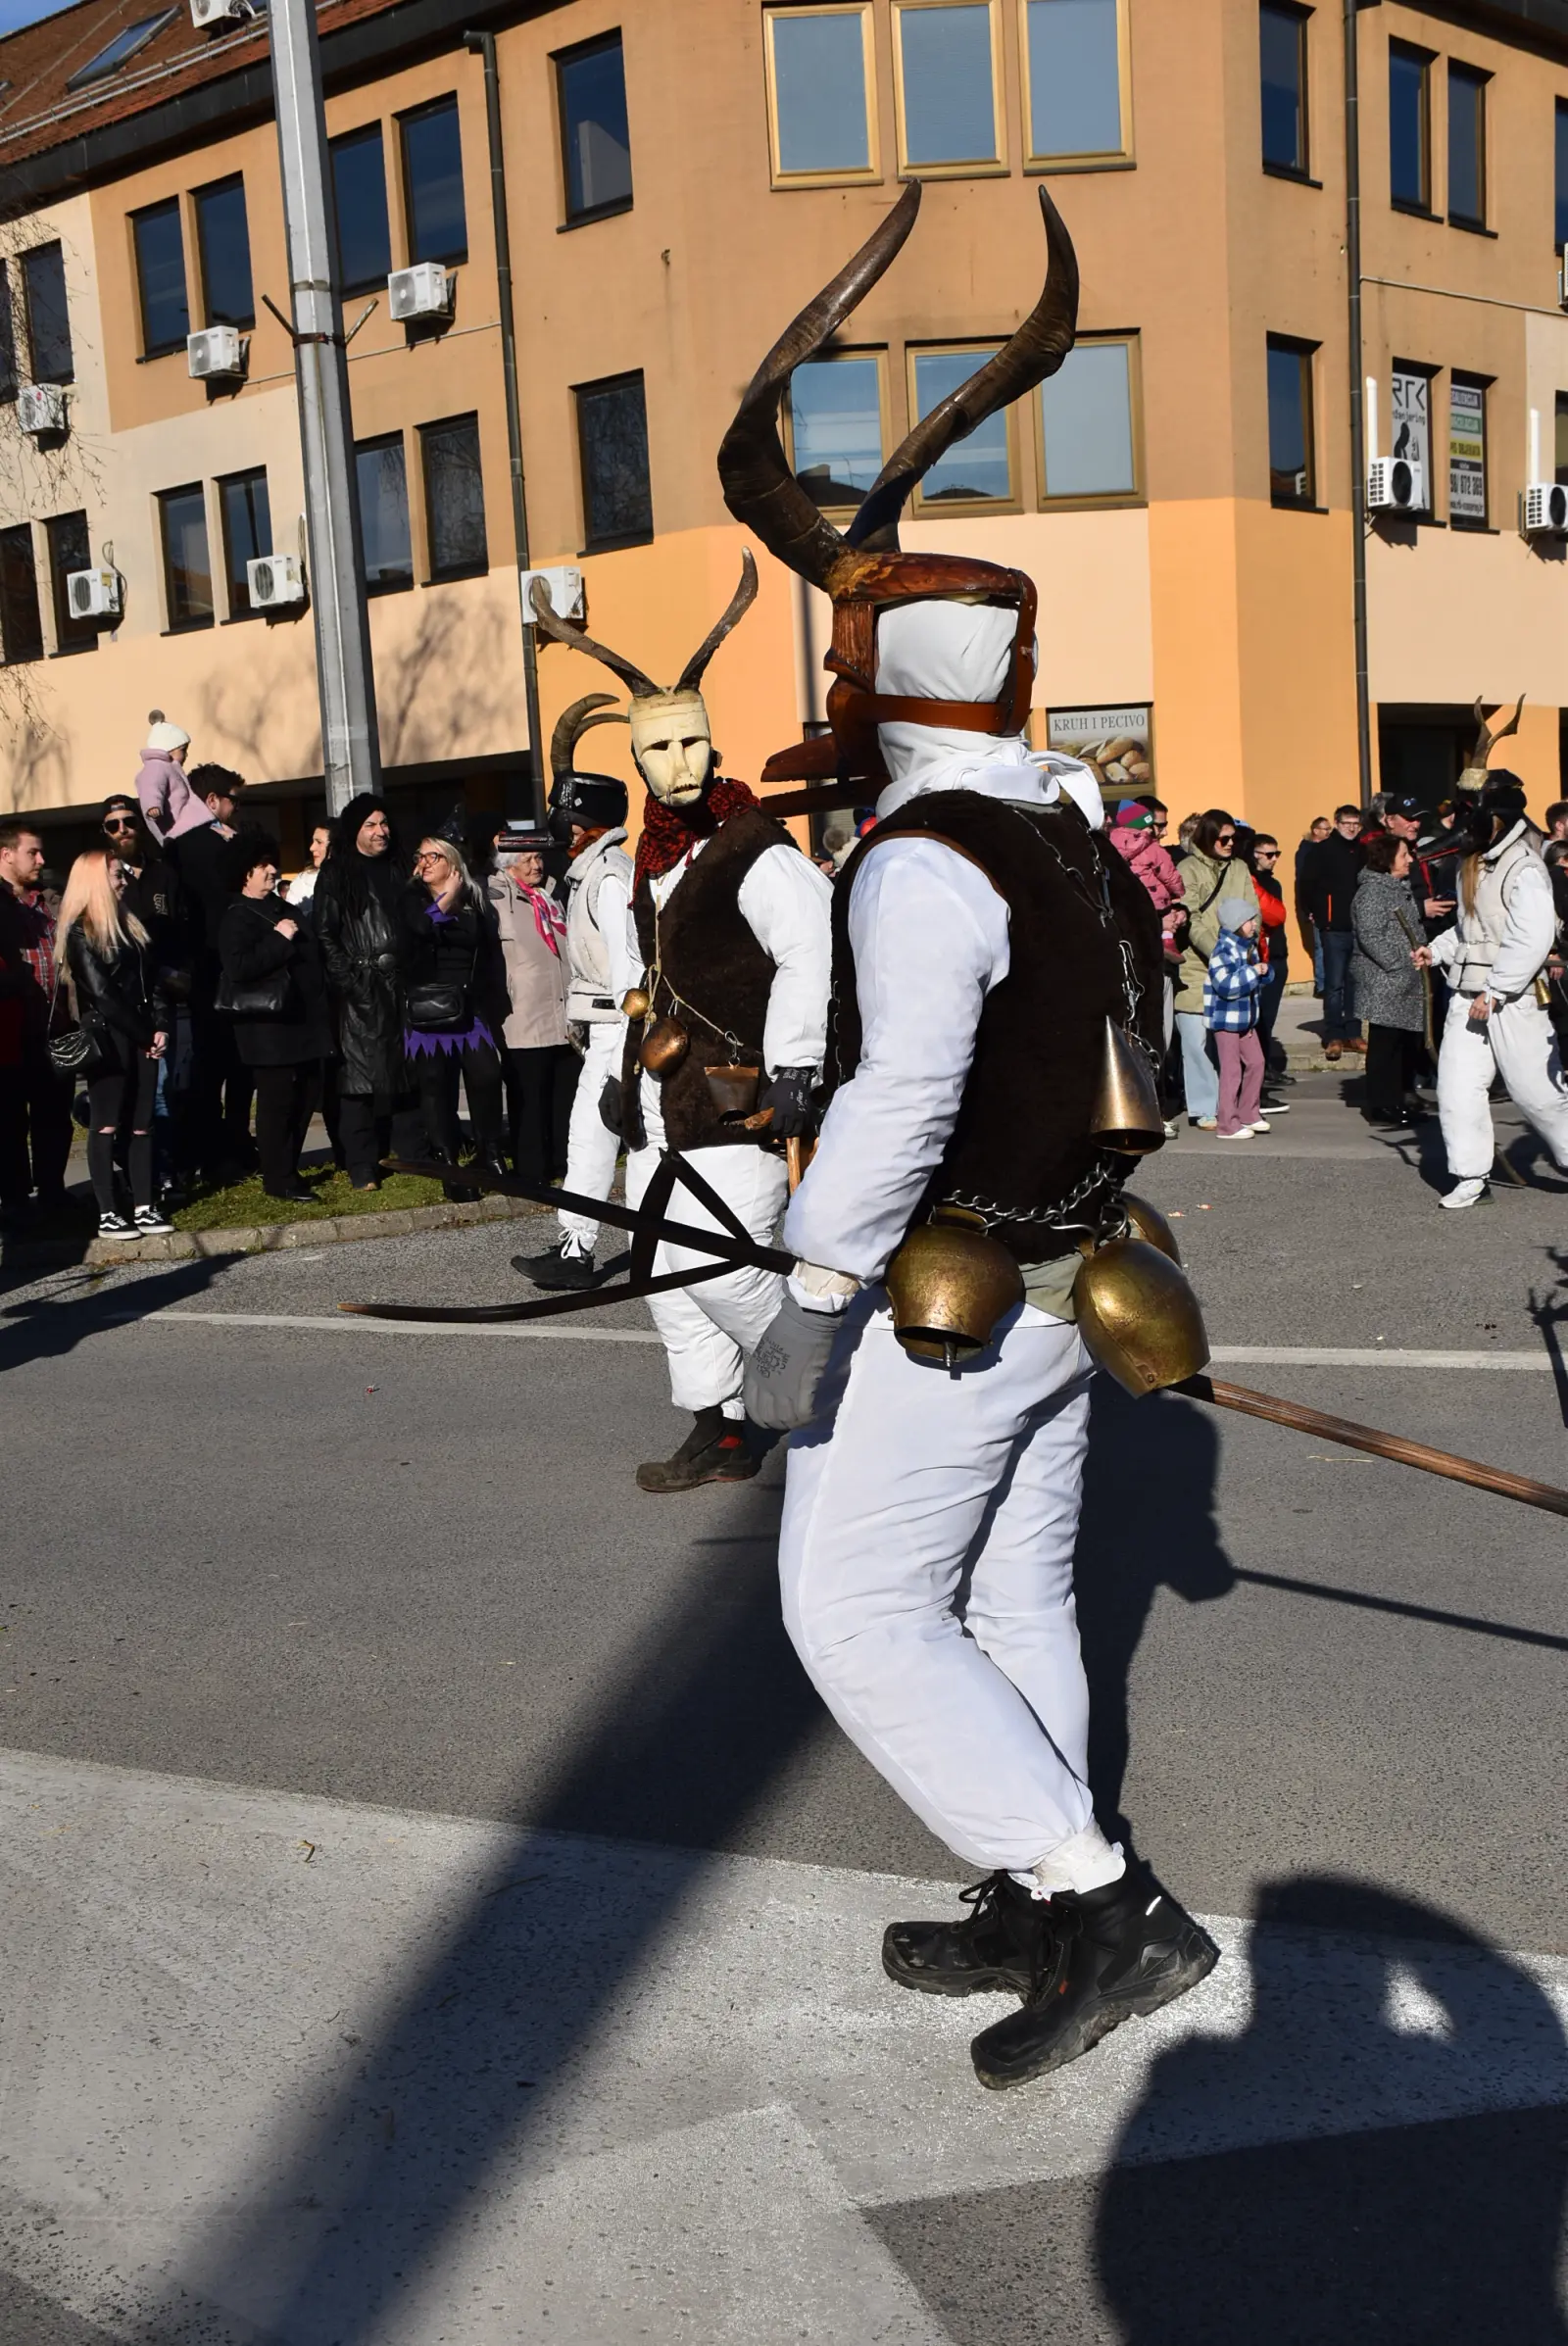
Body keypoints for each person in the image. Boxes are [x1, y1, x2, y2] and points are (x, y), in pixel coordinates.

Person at [731, 182, 1215, 2092]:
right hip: (1067, 1280)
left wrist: (801, 1290)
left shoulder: (919, 863)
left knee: (848, 1604)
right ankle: (1034, 1884)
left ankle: (1099, 1905)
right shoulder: (1066, 831)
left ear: (870, 680)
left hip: (950, 1292)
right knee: (1007, 1592)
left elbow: (901, 1099)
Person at [530, 557, 833, 1491]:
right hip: (666, 1100)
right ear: (636, 762)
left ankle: (834, 1395)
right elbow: (644, 984)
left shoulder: (756, 853)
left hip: (738, 1099)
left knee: (722, 1270)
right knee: (666, 1278)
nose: (681, 764)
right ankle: (727, 1430)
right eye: (659, 751)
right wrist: (623, 1080)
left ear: (712, 742)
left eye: (693, 744)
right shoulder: (647, 862)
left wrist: (795, 1070)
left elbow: (812, 953)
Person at [514, 700, 639, 1290]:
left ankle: (579, 1252)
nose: (557, 835)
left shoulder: (610, 875)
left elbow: (629, 969)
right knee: (602, 1140)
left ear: (585, 825)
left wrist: (626, 1052)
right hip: (606, 1028)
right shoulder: (593, 872)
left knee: (595, 1139)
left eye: (565, 824)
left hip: (622, 1028)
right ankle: (592, 1246)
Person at [1418, 774, 1568, 1208]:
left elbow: (1531, 938)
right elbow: (1471, 930)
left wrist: (1498, 990)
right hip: (1468, 994)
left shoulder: (1523, 867)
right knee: (1457, 1086)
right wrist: (1435, 949)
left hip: (1512, 1000)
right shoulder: (1478, 863)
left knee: (1536, 1093)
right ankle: (1470, 1175)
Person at [55, 847, 173, 1240]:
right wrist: (145, 1034)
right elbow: (103, 994)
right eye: (116, 874)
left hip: (142, 1034)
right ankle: (108, 1211)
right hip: (108, 1037)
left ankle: (144, 1205)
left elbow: (152, 983)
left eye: (124, 873)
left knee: (142, 1125)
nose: (124, 880)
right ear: (94, 881)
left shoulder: (132, 926)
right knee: (105, 1124)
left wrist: (159, 1027)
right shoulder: (80, 931)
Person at [313, 794, 423, 1192]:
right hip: (360, 986)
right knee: (357, 1082)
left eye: (384, 823)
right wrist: (352, 982)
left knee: (407, 1073)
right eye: (370, 825)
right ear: (355, 831)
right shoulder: (337, 873)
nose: (381, 832)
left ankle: (410, 1155)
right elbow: (325, 934)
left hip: (401, 985)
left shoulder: (400, 869)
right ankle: (362, 1166)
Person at [217, 835, 330, 1202]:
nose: (272, 870)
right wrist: (279, 941)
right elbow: (239, 967)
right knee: (276, 1103)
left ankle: (288, 1166)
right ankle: (278, 1177)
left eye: (272, 862)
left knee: (307, 1095)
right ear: (243, 872)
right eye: (262, 865)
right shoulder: (237, 916)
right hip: (267, 1030)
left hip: (302, 1022)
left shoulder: (283, 908)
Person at [401, 831, 509, 1193]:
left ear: (453, 864)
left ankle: (489, 1154)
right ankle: (448, 1166)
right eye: (421, 856)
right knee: (435, 1087)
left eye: (434, 857)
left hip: (468, 1008)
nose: (425, 863)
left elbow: (489, 950)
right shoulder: (411, 898)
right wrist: (442, 903)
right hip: (427, 1010)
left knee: (487, 1077)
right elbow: (417, 930)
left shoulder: (474, 900)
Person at [0, 820, 73, 1226]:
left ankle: (52, 1191)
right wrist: (18, 983)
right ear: (6, 854)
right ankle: (14, 1199)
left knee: (54, 1117)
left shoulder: (47, 901)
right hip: (12, 1029)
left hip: (56, 1026)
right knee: (10, 1121)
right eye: (33, 853)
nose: (41, 861)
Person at [1173, 809, 1257, 1127]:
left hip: (1235, 965)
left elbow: (1254, 911)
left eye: (1233, 838)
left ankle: (1231, 1105)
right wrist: (1219, 949)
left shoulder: (1239, 869)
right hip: (1197, 965)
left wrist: (1247, 945)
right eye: (1224, 838)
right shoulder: (1187, 868)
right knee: (1195, 1040)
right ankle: (1204, 1107)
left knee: (1229, 1039)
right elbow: (1189, 916)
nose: (1231, 843)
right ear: (1208, 836)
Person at [1350, 833, 1429, 1128]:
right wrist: (1397, 965)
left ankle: (1395, 1101)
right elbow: (1370, 935)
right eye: (1404, 854)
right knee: (1384, 1045)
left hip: (1402, 979)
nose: (1410, 860)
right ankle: (1382, 1106)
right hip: (1385, 980)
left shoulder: (1394, 888)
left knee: (1399, 1044)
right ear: (1387, 860)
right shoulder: (1373, 892)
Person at [1298, 804, 1366, 1059]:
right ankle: (1334, 1035)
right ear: (1337, 823)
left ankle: (1353, 1033)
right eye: (1347, 822)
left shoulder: (1363, 851)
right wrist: (1314, 914)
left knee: (1356, 984)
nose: (1351, 827)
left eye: (1355, 823)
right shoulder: (1322, 850)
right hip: (1333, 928)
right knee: (1334, 984)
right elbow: (1306, 884)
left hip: (1359, 929)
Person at [1204, 900, 1267, 1139]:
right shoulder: (1222, 951)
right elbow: (1226, 986)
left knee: (1257, 1062)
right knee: (1231, 1072)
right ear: (1236, 924)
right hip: (1226, 1021)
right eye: (1249, 920)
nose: (1254, 925)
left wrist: (1262, 973)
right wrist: (1253, 972)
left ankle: (1248, 1113)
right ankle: (1227, 1124)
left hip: (1245, 1020)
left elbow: (1251, 983)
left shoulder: (1248, 948)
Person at [1248, 833, 1292, 1095]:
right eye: (1269, 854)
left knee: (1270, 1016)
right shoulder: (1253, 884)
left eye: (1277, 854)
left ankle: (1266, 1066)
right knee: (1259, 1017)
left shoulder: (1273, 883)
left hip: (1277, 955)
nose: (1274, 860)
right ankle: (1259, 1070)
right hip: (1261, 957)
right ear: (1254, 856)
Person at [1295, 813, 1331, 992]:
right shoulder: (1307, 852)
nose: (1329, 832)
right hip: (1315, 905)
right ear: (1316, 831)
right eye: (1326, 829)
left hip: (1328, 904)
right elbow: (1303, 881)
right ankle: (1322, 983)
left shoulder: (1326, 849)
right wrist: (1307, 908)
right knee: (1320, 945)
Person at [284, 823, 331, 908]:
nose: (311, 848)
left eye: (319, 842)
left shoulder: (357, 880)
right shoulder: (302, 883)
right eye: (313, 841)